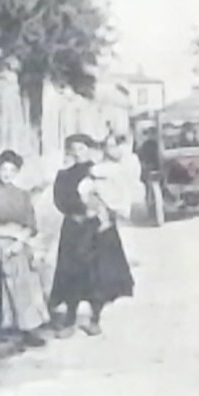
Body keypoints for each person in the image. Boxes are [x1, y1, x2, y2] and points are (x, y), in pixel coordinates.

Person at [0, 151, 51, 349]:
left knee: (25, 283)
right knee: (3, 285)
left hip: (20, 244)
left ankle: (27, 328)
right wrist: (7, 235)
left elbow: (30, 221)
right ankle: (3, 327)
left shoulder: (21, 194)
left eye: (12, 170)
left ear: (17, 172)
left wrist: (21, 239)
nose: (7, 174)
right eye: (3, 169)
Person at [71, 137, 139, 336]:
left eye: (115, 146)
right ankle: (74, 315)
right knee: (83, 270)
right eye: (108, 147)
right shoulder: (91, 171)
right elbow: (81, 192)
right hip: (86, 226)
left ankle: (95, 317)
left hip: (105, 228)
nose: (112, 150)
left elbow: (123, 196)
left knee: (102, 272)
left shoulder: (116, 170)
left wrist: (110, 210)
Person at [49, 134, 97, 338]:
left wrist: (98, 210)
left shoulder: (98, 172)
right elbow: (59, 200)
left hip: (97, 227)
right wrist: (78, 209)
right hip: (73, 227)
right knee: (71, 271)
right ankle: (70, 317)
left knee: (97, 271)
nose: (78, 153)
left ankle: (95, 318)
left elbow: (113, 194)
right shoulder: (64, 175)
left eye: (82, 148)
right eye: (74, 149)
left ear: (89, 149)